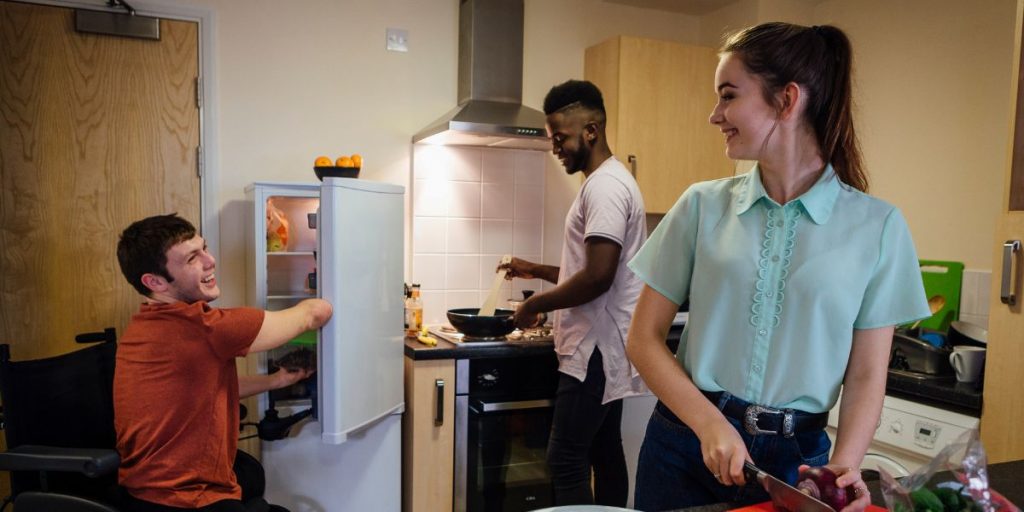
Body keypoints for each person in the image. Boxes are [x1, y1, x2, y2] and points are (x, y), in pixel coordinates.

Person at [625, 22, 931, 512]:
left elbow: (869, 374)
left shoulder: (879, 226)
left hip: (800, 468)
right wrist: (709, 424)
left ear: (787, 100)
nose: (714, 115)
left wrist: (845, 467)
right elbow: (642, 337)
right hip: (684, 447)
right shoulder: (700, 206)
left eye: (728, 96)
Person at [114, 213, 333, 511]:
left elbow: (201, 387)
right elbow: (313, 314)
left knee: (250, 475)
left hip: (146, 487)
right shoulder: (203, 327)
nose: (210, 260)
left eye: (204, 248)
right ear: (155, 282)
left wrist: (277, 381)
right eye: (192, 258)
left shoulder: (147, 323)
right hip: (180, 499)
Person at [499, 79, 648, 506]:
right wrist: (539, 271)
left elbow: (599, 276)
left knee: (565, 458)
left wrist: (534, 304)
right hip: (602, 346)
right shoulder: (608, 181)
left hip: (593, 349)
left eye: (560, 136)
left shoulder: (605, 188)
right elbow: (592, 268)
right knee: (604, 452)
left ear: (591, 130)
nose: (556, 146)